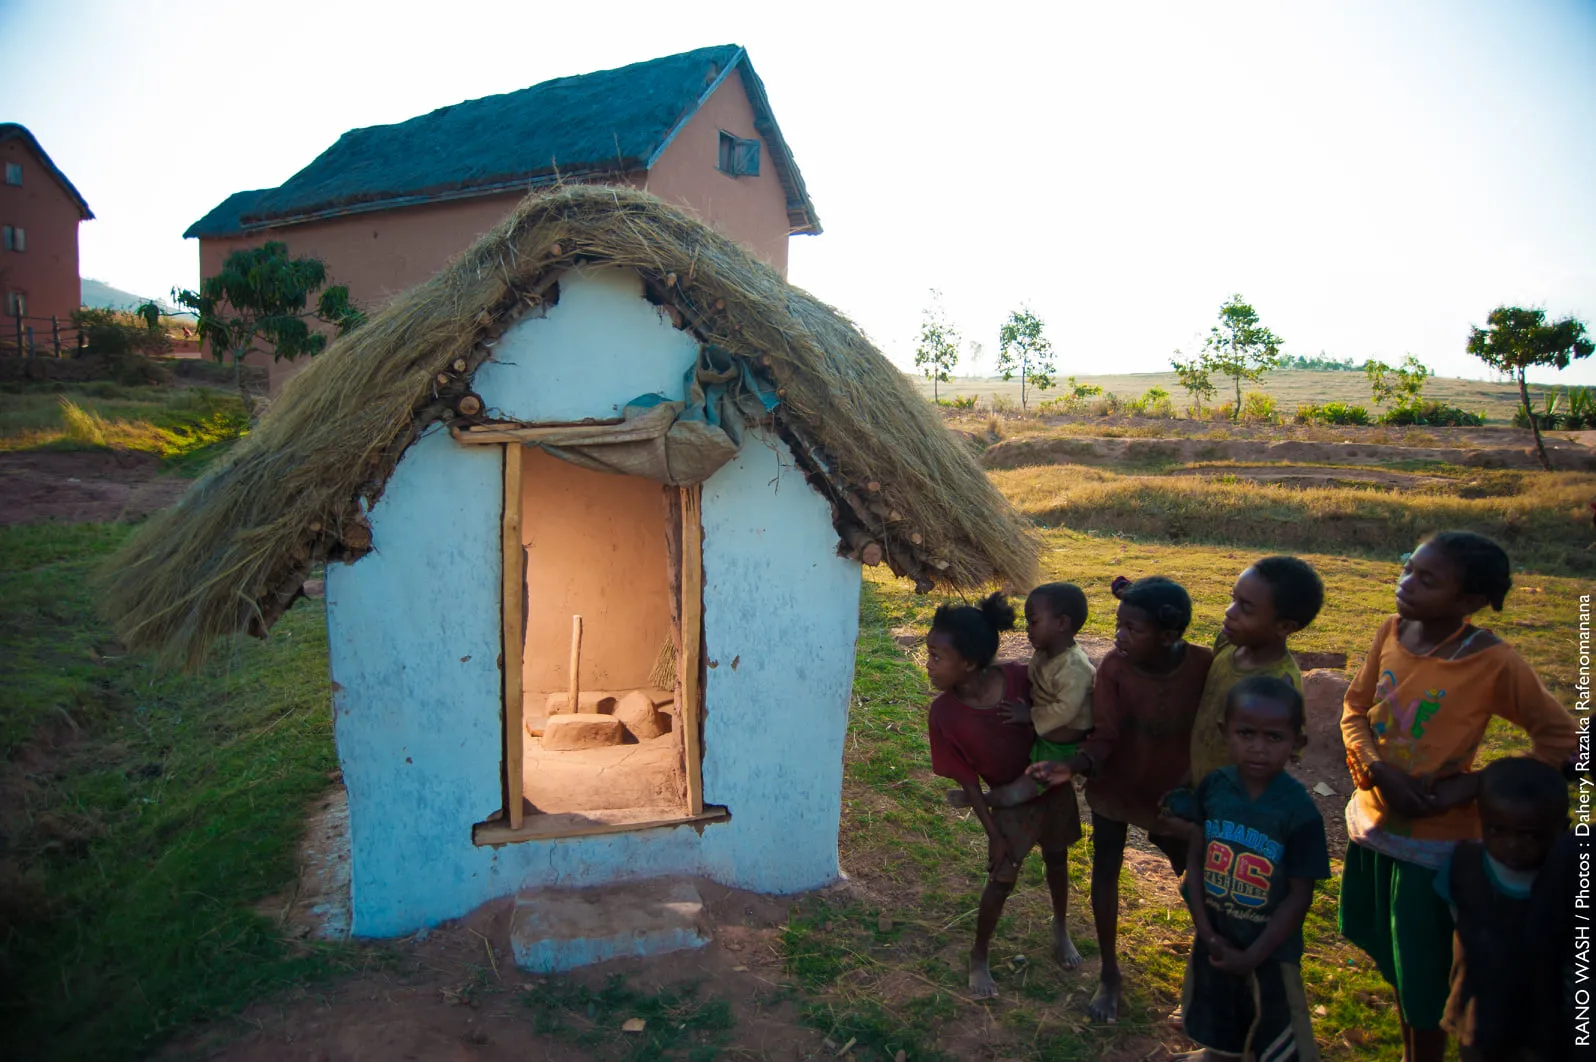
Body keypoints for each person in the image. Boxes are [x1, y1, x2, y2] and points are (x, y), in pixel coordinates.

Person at [1339, 531, 1577, 1062]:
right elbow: (1354, 712)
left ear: (1469, 601)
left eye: (1428, 579)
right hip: (1375, 826)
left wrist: (1474, 786)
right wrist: (1378, 770)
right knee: (1397, 964)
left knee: (1425, 979)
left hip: (1434, 845)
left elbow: (1560, 741)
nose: (1407, 585)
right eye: (1408, 569)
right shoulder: (1391, 632)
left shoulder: (1493, 661)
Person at [1028, 576, 1213, 1023]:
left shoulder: (1204, 667)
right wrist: (1074, 765)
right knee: (1105, 871)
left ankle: (1209, 971)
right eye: (1119, 625)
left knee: (1199, 883)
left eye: (1133, 629)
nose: (1120, 636)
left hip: (1175, 794)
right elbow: (1106, 735)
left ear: (1169, 636)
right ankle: (1109, 973)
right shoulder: (1113, 668)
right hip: (1116, 786)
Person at [925, 593, 1082, 999]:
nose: (928, 664)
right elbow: (969, 783)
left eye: (936, 657)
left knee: (1057, 859)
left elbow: (1063, 706)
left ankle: (1060, 927)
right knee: (1001, 880)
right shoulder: (943, 714)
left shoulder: (1018, 678)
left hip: (1049, 787)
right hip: (1008, 803)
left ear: (971, 664)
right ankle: (979, 955)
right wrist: (993, 833)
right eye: (928, 655)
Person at [1182, 675, 1330, 1062]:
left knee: (1272, 1026)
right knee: (1218, 1009)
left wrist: (1255, 954)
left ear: (1297, 744)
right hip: (1217, 932)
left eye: (1274, 738)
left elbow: (1300, 896)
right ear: (1225, 732)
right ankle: (1216, 1055)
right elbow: (1195, 860)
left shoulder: (1298, 812)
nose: (1258, 748)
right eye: (1245, 733)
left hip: (1269, 951)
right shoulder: (1214, 787)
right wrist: (1205, 930)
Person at [1436, 756, 1577, 1062]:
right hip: (1476, 1013)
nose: (1512, 845)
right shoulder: (1462, 866)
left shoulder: (1569, 878)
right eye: (1498, 831)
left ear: (1562, 830)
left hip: (1542, 1025)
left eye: (1529, 835)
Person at [950, 581, 1095, 808]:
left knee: (1022, 791)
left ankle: (983, 800)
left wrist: (1030, 715)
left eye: (1034, 622)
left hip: (1062, 749)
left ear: (1062, 623)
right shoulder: (1045, 654)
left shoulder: (1075, 668)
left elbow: (1065, 710)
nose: (1028, 628)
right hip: (1044, 740)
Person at [1187, 556, 1324, 789]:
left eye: (1246, 608)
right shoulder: (1228, 644)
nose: (1230, 612)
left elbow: (1278, 755)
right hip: (1198, 781)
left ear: (1284, 626)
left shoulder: (1279, 686)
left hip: (1233, 799)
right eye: (1233, 599)